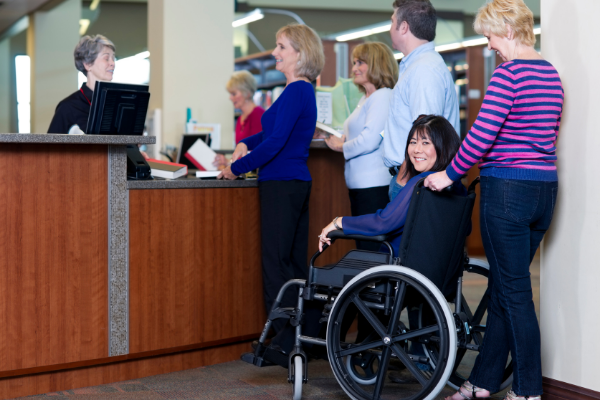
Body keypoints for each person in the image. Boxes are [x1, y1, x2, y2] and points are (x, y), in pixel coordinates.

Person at [424, 1, 564, 399]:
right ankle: (482, 383)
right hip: (544, 191)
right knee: (506, 287)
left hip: (507, 192)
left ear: (506, 29)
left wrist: (447, 176)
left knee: (515, 293)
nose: (488, 46)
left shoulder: (510, 75)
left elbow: (482, 137)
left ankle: (527, 391)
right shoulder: (551, 75)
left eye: (488, 36)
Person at [218, 24, 324, 340]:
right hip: (293, 183)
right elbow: (271, 133)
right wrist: (246, 143)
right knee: (290, 265)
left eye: (281, 46)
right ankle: (301, 335)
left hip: (281, 183)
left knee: (276, 266)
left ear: (299, 53)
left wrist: (237, 168)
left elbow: (276, 142)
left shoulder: (296, 90)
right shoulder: (298, 90)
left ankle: (282, 341)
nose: (275, 52)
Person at [318, 115, 462, 257]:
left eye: (425, 143)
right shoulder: (456, 185)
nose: (416, 149)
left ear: (442, 146)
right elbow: (465, 229)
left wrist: (339, 222)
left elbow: (382, 223)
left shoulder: (420, 182)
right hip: (437, 266)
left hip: (398, 264)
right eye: (413, 142)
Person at [321, 42, 398, 252]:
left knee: (371, 248)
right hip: (361, 186)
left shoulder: (383, 96)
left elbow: (371, 139)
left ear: (377, 65)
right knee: (364, 246)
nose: (354, 68)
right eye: (354, 62)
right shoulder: (366, 98)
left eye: (360, 62)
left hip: (373, 186)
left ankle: (375, 286)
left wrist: (341, 146)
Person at [383, 0, 460, 201]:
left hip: (413, 181)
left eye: (392, 22)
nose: (390, 28)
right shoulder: (418, 66)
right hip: (412, 179)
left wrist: (402, 180)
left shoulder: (423, 70)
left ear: (404, 27)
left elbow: (426, 141)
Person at [48, 35, 115, 133]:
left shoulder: (115, 103)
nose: (112, 63)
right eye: (106, 58)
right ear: (87, 64)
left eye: (113, 58)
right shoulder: (67, 107)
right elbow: (50, 147)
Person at [214, 70, 264, 168]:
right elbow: (242, 156)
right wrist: (227, 161)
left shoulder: (259, 115)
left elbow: (258, 153)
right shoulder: (240, 118)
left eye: (234, 94)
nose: (230, 98)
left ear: (247, 94)